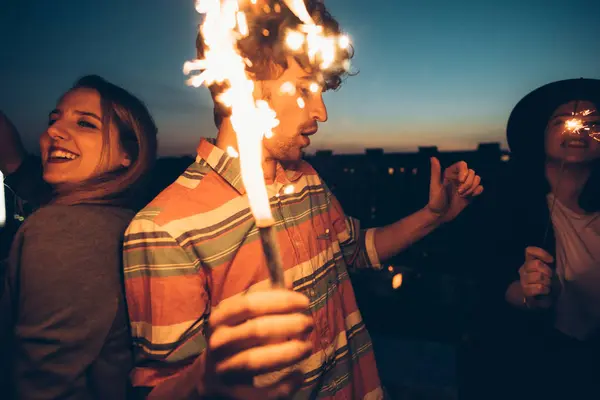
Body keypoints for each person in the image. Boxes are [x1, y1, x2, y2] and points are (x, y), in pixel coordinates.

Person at [123, 1, 483, 399]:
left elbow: (355, 252)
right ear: (238, 84)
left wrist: (434, 216)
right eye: (303, 88)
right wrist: (206, 380)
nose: (322, 112)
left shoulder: (307, 180)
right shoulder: (165, 228)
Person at [1, 75, 158, 399]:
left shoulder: (65, 230)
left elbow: (42, 387)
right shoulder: (112, 216)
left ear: (127, 155)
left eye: (86, 124)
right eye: (53, 120)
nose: (53, 132)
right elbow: (15, 163)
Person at [468, 78, 600, 400]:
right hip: (542, 372)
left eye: (593, 123)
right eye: (563, 122)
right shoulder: (505, 205)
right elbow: (491, 282)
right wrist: (530, 296)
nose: (578, 131)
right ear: (540, 135)